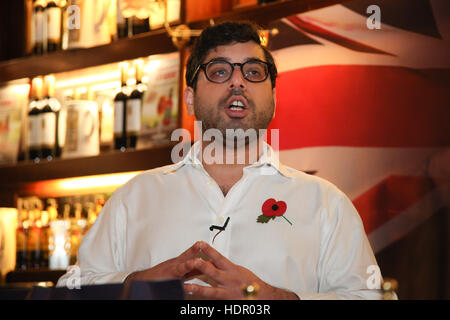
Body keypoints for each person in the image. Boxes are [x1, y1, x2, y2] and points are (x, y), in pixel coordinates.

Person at [57, 21, 384, 300]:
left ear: (273, 97)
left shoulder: (327, 204)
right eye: (219, 71)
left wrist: (275, 298)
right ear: (189, 98)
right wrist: (134, 286)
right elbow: (70, 290)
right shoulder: (133, 198)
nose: (238, 82)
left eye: (254, 72)